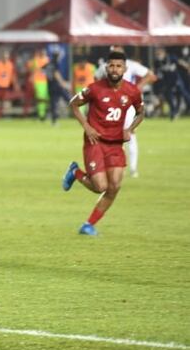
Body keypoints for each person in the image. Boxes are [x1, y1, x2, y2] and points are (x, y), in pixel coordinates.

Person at [62, 51, 145, 236]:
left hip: (115, 144)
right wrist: (87, 126)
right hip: (95, 141)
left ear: (124, 68)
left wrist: (129, 129)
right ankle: (75, 172)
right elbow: (73, 104)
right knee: (100, 186)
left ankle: (88, 225)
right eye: (111, 65)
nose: (114, 69)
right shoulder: (95, 89)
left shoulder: (132, 91)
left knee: (114, 186)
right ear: (106, 67)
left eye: (118, 66)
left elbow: (141, 112)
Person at [94, 46, 155, 177]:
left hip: (128, 104)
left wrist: (137, 88)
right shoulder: (106, 66)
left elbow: (150, 75)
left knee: (129, 133)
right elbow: (96, 77)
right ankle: (112, 165)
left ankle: (132, 168)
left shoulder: (132, 65)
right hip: (110, 105)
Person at [153, 47, 190, 119]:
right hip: (167, 82)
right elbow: (155, 70)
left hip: (176, 79)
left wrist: (188, 67)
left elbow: (180, 62)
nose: (158, 56)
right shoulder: (157, 62)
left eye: (159, 54)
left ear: (164, 53)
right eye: (157, 54)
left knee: (184, 94)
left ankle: (184, 109)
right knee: (169, 97)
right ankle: (173, 112)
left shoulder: (171, 58)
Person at [42, 52, 71, 125]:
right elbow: (56, 74)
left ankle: (54, 121)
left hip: (50, 86)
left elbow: (42, 71)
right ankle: (79, 114)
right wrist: (64, 84)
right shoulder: (55, 64)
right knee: (68, 99)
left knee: (53, 104)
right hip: (57, 86)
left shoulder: (47, 64)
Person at [0, 50, 16, 122]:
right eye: (4, 56)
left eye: (7, 56)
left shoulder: (10, 65)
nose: (5, 58)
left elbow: (12, 75)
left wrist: (14, 84)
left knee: (3, 103)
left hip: (5, 86)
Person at [28, 48, 50, 120]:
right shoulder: (36, 60)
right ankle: (41, 115)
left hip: (46, 81)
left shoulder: (47, 59)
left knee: (46, 98)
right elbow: (31, 68)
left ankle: (44, 113)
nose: (43, 53)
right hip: (38, 81)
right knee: (40, 97)